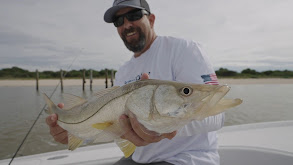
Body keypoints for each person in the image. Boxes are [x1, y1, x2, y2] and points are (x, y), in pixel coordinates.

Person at [46, 0, 224, 164]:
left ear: (151, 19)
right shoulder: (123, 72)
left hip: (186, 159)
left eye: (134, 15)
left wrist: (157, 128)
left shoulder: (184, 49)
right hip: (138, 159)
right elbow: (113, 126)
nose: (127, 24)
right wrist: (74, 133)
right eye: (119, 21)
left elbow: (216, 116)